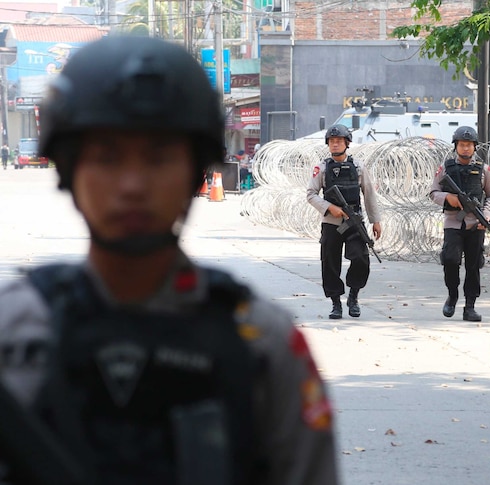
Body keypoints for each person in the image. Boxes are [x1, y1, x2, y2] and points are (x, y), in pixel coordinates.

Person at [0, 36, 339, 484]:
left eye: (159, 158)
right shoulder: (15, 331)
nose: (132, 185)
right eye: (107, 157)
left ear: (196, 172)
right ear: (67, 169)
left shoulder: (262, 345)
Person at [306, 124, 382, 319]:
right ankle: (335, 303)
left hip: (354, 220)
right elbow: (311, 195)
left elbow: (369, 194)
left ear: (347, 143)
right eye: (332, 141)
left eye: (339, 141)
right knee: (330, 262)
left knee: (360, 258)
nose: (335, 144)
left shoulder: (358, 166)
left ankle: (353, 296)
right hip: (331, 222)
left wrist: (376, 220)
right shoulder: (321, 168)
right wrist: (329, 208)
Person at [428, 126, 490, 322]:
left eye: (469, 145)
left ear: (474, 147)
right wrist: (448, 197)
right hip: (453, 223)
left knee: (473, 266)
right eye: (462, 145)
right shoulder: (445, 169)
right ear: (456, 146)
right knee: (450, 260)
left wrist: (487, 216)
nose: (465, 149)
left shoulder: (484, 170)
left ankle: (470, 306)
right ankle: (452, 295)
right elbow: (433, 193)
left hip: (476, 224)